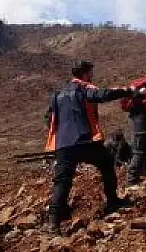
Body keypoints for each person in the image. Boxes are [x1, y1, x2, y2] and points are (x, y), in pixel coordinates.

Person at [44, 61, 135, 234]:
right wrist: (127, 91)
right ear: (86, 74)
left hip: (62, 144)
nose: (92, 76)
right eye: (91, 73)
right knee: (107, 163)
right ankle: (113, 202)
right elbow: (103, 95)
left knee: (62, 181)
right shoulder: (83, 89)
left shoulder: (57, 94)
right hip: (84, 140)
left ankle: (53, 223)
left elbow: (48, 117)